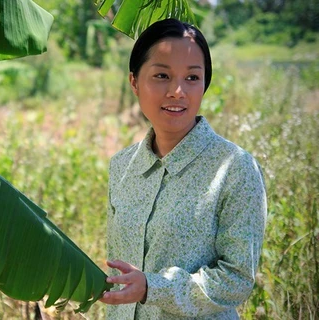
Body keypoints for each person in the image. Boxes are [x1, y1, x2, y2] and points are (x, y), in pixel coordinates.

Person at [99, 18, 267, 319]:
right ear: (134, 82)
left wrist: (153, 287)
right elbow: (119, 267)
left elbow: (237, 278)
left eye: (192, 78)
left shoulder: (235, 168)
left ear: (205, 84)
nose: (177, 91)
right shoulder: (122, 166)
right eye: (162, 75)